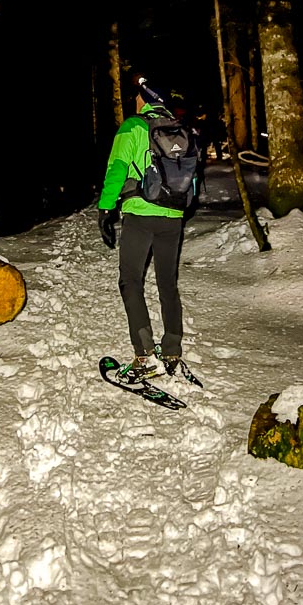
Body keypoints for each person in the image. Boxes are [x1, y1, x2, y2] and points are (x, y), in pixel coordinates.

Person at [97, 76, 188, 381]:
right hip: (173, 216)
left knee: (131, 281)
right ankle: (172, 350)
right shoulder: (179, 129)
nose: (134, 100)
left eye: (137, 96)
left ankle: (145, 354)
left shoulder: (134, 126)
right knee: (167, 283)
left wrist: (106, 208)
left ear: (146, 99)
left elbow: (117, 168)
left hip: (140, 213)